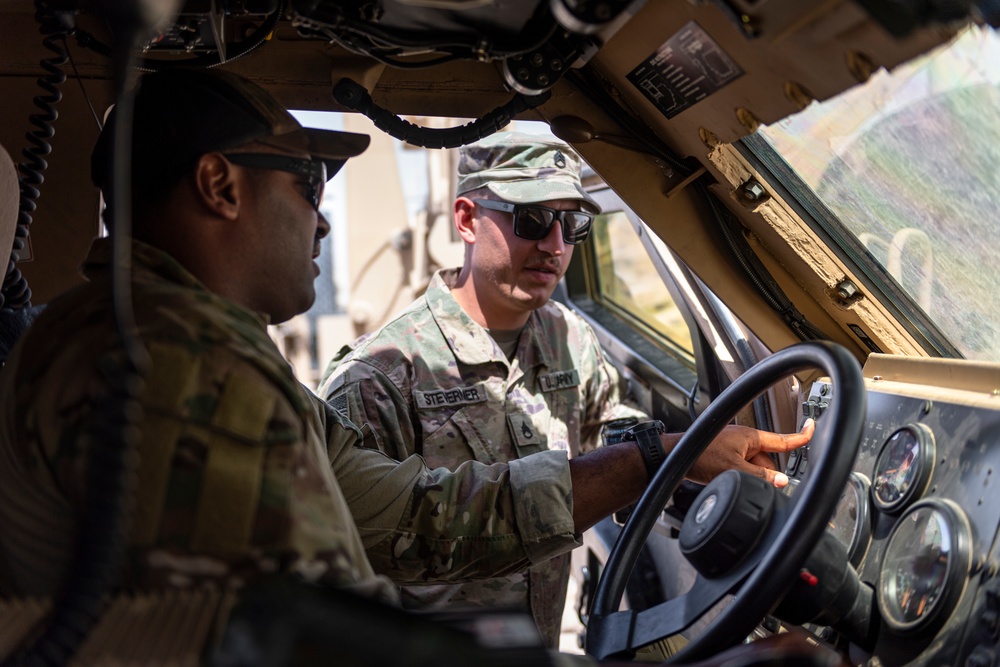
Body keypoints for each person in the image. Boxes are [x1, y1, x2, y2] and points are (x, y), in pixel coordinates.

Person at [0, 69, 813, 663]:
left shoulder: (162, 339)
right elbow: (312, 638)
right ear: (220, 186)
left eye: (574, 229)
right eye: (310, 183)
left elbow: (421, 516)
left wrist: (653, 456)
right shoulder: (174, 361)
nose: (322, 224)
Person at [316, 132, 814, 646]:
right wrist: (661, 455)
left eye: (572, 223)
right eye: (531, 219)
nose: (554, 245)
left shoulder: (567, 336)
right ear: (467, 219)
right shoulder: (377, 378)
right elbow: (348, 571)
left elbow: (611, 426)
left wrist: (698, 458)